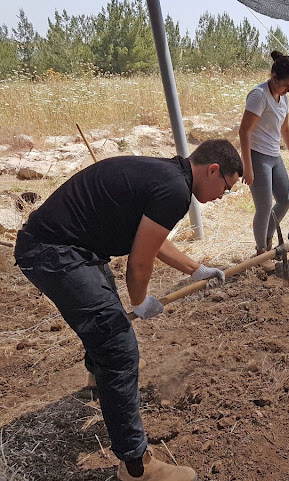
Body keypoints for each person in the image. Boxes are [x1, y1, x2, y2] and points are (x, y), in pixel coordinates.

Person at [13, 139, 243, 481]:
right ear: (213, 170)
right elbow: (138, 262)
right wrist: (140, 302)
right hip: (56, 253)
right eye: (226, 186)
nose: (223, 195)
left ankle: (98, 375)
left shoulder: (167, 175)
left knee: (107, 324)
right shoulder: (175, 190)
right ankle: (137, 466)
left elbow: (151, 236)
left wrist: (196, 270)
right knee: (119, 348)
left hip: (70, 248)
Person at [239, 50, 289, 271]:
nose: (288, 90)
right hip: (257, 155)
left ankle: (268, 237)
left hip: (274, 154)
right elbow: (244, 132)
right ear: (273, 77)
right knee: (263, 207)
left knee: (286, 199)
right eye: (285, 85)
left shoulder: (284, 97)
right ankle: (261, 252)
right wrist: (248, 166)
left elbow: (285, 127)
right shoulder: (258, 95)